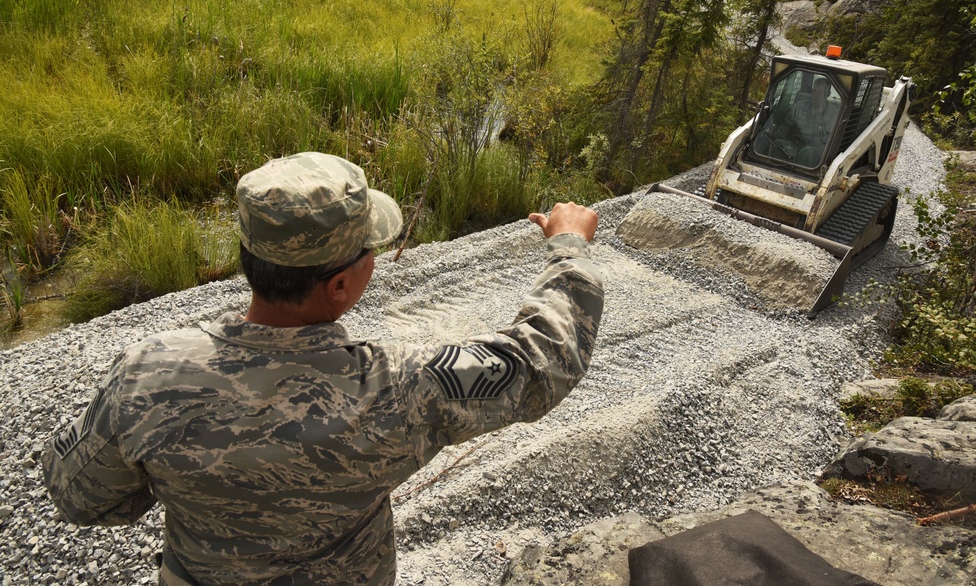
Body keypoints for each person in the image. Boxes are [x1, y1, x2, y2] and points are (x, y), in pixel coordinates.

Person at [42, 151, 603, 585]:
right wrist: (569, 248)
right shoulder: (400, 387)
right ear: (340, 284)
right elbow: (541, 362)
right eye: (370, 251)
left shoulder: (148, 373)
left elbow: (78, 495)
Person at [787, 76, 841, 167]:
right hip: (796, 143)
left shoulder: (834, 115)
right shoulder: (799, 106)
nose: (816, 95)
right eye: (814, 91)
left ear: (828, 94)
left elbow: (830, 143)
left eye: (820, 93)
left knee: (807, 152)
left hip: (817, 151)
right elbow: (786, 126)